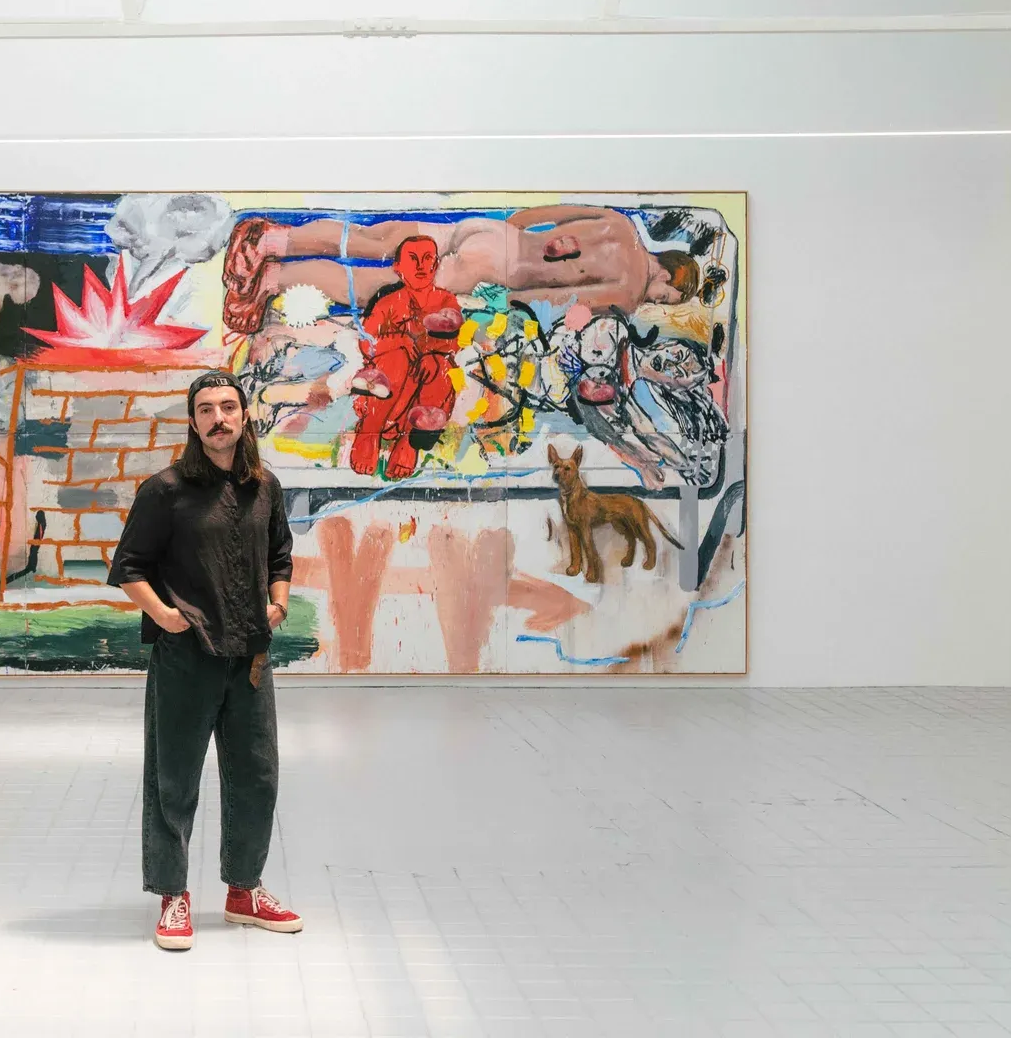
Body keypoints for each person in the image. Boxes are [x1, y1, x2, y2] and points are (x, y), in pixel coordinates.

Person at [107, 370, 304, 951]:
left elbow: (281, 555)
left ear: (244, 417)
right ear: (193, 423)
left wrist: (279, 604)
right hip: (186, 657)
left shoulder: (265, 487)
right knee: (174, 780)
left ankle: (244, 890)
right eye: (206, 409)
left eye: (228, 407)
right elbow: (130, 566)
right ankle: (173, 896)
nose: (219, 418)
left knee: (257, 776)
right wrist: (165, 616)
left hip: (250, 659)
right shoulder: (164, 490)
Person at [221, 205, 684, 334]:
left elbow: (550, 213)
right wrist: (507, 299)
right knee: (375, 286)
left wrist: (512, 232)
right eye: (666, 298)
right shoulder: (627, 291)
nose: (656, 302)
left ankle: (273, 240)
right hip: (497, 272)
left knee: (377, 240)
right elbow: (555, 302)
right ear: (666, 275)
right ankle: (271, 280)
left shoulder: (620, 225)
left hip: (495, 235)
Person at [348, 235, 462, 479]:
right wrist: (398, 342)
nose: (421, 266)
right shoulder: (387, 302)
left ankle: (408, 444)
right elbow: (367, 344)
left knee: (440, 367)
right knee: (395, 358)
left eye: (427, 258)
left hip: (425, 392)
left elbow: (454, 342)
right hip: (387, 396)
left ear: (436, 264)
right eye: (412, 259)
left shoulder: (446, 300)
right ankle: (369, 434)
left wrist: (431, 354)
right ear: (398, 267)